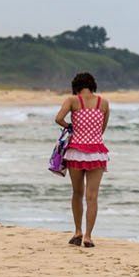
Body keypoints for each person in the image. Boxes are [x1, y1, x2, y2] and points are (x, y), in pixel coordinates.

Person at [54, 72, 110, 248]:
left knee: (77, 193)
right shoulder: (104, 103)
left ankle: (77, 231)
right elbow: (102, 129)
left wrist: (70, 127)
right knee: (92, 197)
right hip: (97, 152)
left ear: (76, 86)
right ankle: (88, 236)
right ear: (93, 85)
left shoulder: (73, 100)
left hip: (76, 151)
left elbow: (58, 119)